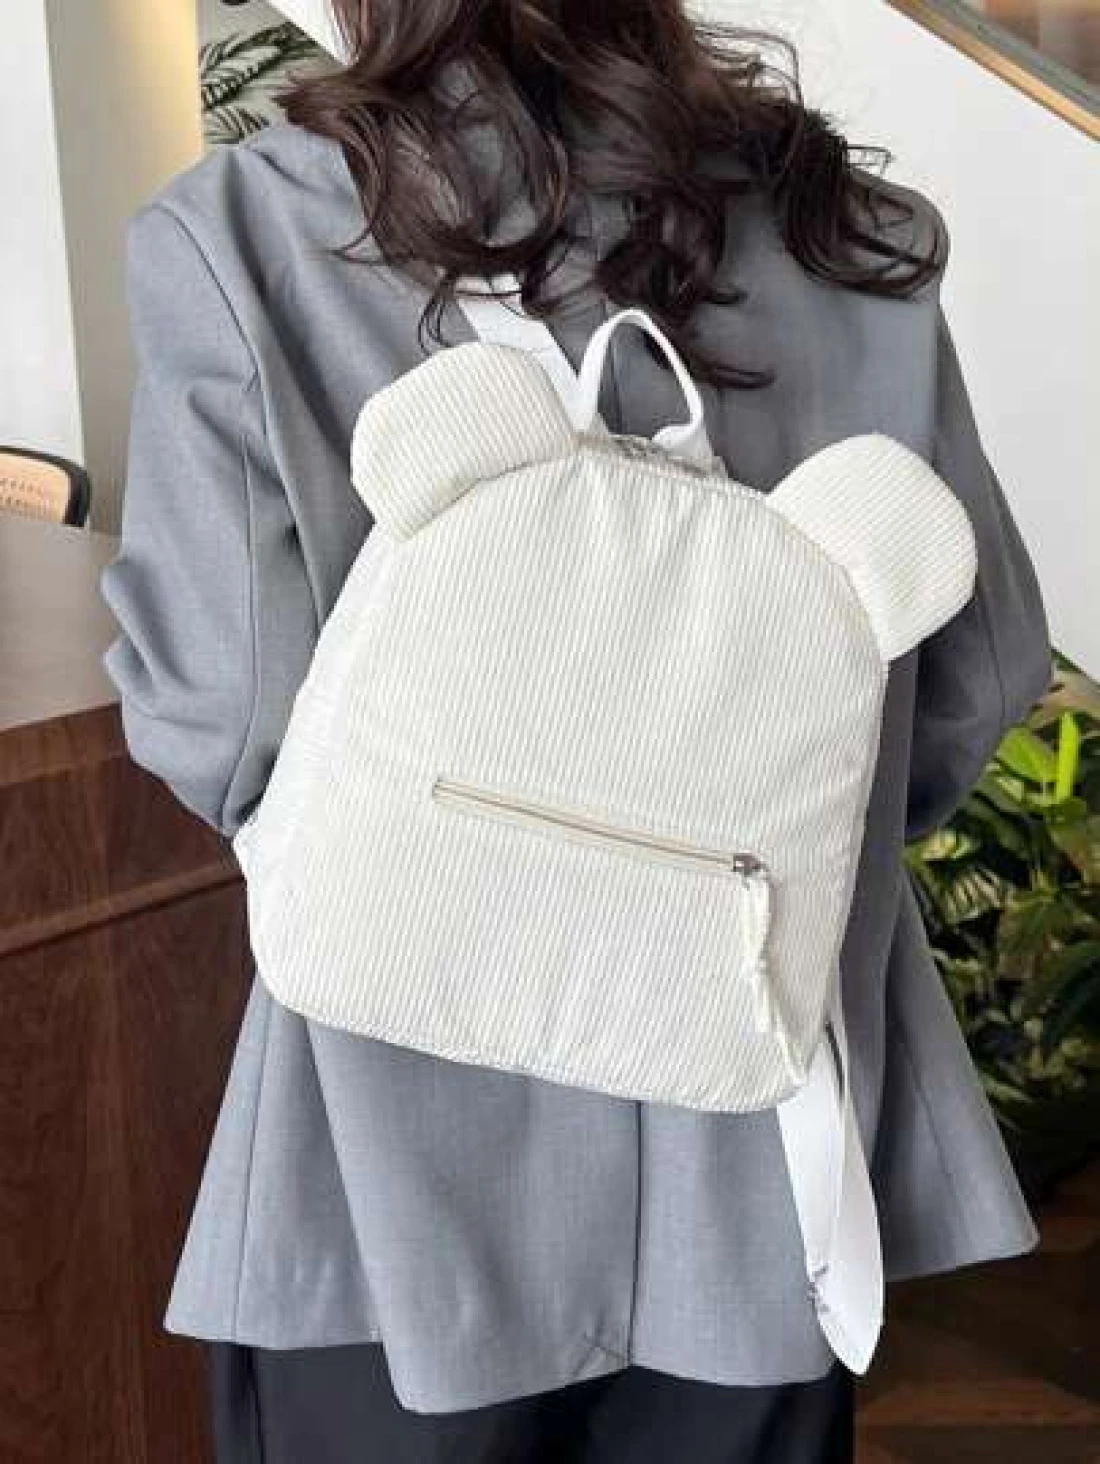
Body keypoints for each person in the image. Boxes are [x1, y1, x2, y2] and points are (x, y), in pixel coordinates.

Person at [99, 2, 1051, 1460]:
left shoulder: (252, 236)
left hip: (391, 1169)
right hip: (767, 1147)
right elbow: (972, 681)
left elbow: (222, 720)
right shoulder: (850, 236)